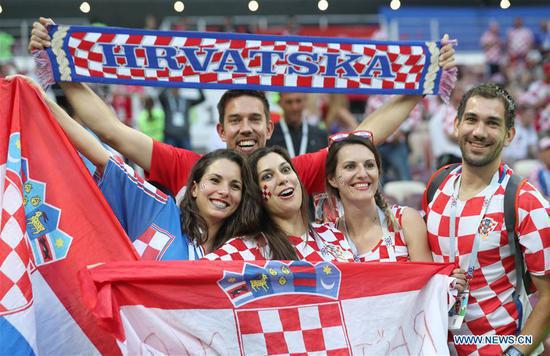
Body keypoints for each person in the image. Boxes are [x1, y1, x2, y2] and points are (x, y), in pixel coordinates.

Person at [28, 17, 456, 204]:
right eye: (236, 120)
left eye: (255, 119)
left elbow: (365, 134)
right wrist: (61, 65)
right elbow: (111, 129)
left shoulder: (296, 172)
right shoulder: (192, 169)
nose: (246, 128)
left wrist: (423, 83)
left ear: (268, 129)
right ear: (220, 129)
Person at [9, 75, 260, 260]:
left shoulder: (241, 250)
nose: (224, 191)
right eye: (214, 180)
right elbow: (103, 156)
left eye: (235, 185)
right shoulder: (160, 211)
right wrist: (43, 101)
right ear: (193, 187)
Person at [422, 83, 550, 355]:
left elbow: (549, 298)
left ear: (509, 135)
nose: (479, 132)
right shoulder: (438, 184)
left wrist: (516, 352)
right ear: (456, 124)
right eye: (471, 119)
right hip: (437, 347)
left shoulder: (526, 201)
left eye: (492, 123)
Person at [205, 146, 355, 262]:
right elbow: (194, 277)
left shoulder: (334, 235)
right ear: (256, 193)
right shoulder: (242, 249)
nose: (282, 179)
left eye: (285, 169)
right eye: (267, 176)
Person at [324, 132, 433, 263]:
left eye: (369, 165)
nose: (363, 174)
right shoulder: (326, 237)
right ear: (332, 179)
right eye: (350, 166)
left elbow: (431, 281)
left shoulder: (405, 221)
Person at [267, 92, 327, 158]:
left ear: (305, 102)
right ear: (280, 103)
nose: (294, 107)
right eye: (289, 102)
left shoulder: (320, 135)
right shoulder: (270, 135)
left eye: (298, 101)